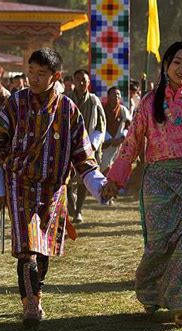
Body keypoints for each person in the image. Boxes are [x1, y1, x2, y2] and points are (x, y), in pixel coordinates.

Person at [0, 48, 108, 328]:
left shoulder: (68, 109)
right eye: (31, 72)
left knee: (43, 249)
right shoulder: (15, 103)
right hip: (20, 184)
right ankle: (32, 305)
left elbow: (83, 154)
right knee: (27, 247)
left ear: (55, 76)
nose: (34, 79)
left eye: (41, 74)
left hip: (53, 191)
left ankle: (36, 292)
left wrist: (100, 186)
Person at [103, 41, 182, 325]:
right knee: (159, 246)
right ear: (166, 65)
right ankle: (152, 292)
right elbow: (131, 144)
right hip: (156, 182)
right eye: (177, 62)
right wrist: (114, 180)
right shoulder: (148, 102)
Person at [66, 69, 106, 222]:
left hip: (88, 148)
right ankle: (71, 204)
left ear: (89, 82)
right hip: (68, 147)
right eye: (78, 79)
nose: (81, 82)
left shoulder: (94, 101)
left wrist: (92, 145)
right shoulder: (66, 99)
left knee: (85, 179)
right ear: (73, 81)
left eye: (84, 80)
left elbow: (101, 127)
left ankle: (78, 211)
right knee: (67, 178)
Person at [100, 86, 131, 173]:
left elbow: (129, 127)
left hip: (119, 144)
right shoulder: (102, 110)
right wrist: (109, 139)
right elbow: (99, 126)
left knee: (117, 170)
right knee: (104, 168)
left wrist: (121, 138)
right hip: (105, 145)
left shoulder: (123, 110)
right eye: (114, 94)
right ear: (108, 96)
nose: (117, 96)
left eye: (118, 94)